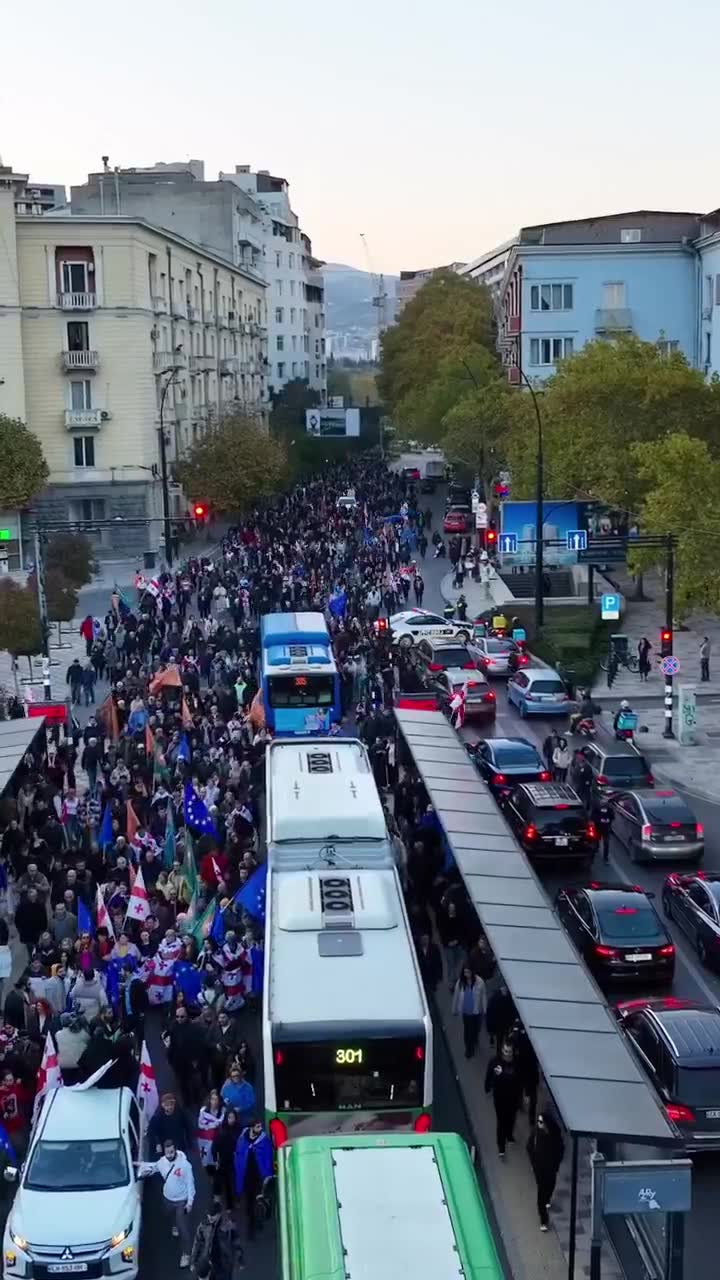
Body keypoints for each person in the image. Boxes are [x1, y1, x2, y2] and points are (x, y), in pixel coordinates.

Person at [139, 1138, 195, 1268]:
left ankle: (187, 1254)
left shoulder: (185, 1165)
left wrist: (190, 1202)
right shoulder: (162, 1162)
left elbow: (190, 1184)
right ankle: (174, 1224)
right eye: (167, 1152)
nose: (169, 1155)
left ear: (175, 1149)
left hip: (181, 1201)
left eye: (171, 1151)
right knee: (167, 1214)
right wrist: (141, 1167)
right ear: (164, 1152)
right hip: (167, 1199)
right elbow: (153, 1167)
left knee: (183, 1229)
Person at [234, 1121, 274, 1240]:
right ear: (252, 1127)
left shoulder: (264, 1140)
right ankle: (252, 1225)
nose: (260, 1128)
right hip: (246, 1177)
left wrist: (267, 1175)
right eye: (258, 1126)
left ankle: (256, 1223)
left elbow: (268, 1157)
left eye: (261, 1126)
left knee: (258, 1202)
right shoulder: (242, 1139)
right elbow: (238, 1154)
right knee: (249, 1203)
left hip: (259, 1178)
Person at [527, 1112, 565, 1231]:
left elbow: (561, 1149)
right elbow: (529, 1147)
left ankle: (547, 1199)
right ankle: (544, 1220)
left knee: (551, 1186)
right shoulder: (536, 1134)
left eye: (541, 1122)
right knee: (541, 1192)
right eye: (538, 1122)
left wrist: (557, 1163)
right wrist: (533, 1163)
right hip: (540, 1169)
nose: (539, 1124)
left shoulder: (554, 1134)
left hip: (551, 1168)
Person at [484, 1041, 522, 1157]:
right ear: (502, 1050)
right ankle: (501, 1147)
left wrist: (503, 1074)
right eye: (505, 1051)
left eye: (509, 1052)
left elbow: (517, 1078)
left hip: (513, 1097)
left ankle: (509, 1135)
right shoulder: (495, 1062)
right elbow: (489, 1074)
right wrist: (487, 1086)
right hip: (500, 1098)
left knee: (511, 1119)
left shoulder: (516, 1063)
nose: (507, 1054)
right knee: (501, 1122)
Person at [190, 1208, 243, 1280]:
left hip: (223, 1262)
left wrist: (239, 1259)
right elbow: (197, 1243)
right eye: (209, 1215)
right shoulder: (204, 1225)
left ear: (219, 1214)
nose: (210, 1218)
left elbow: (236, 1242)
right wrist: (193, 1260)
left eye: (213, 1215)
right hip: (207, 1259)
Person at [451, 966, 487, 1058]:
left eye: (468, 972)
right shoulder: (460, 982)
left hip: (476, 1011)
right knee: (467, 1031)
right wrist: (454, 1009)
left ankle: (474, 1039)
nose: (467, 975)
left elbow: (483, 996)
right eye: (465, 972)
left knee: (475, 1028)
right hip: (466, 1011)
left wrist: (485, 1009)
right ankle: (469, 1049)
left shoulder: (479, 982)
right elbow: (456, 996)